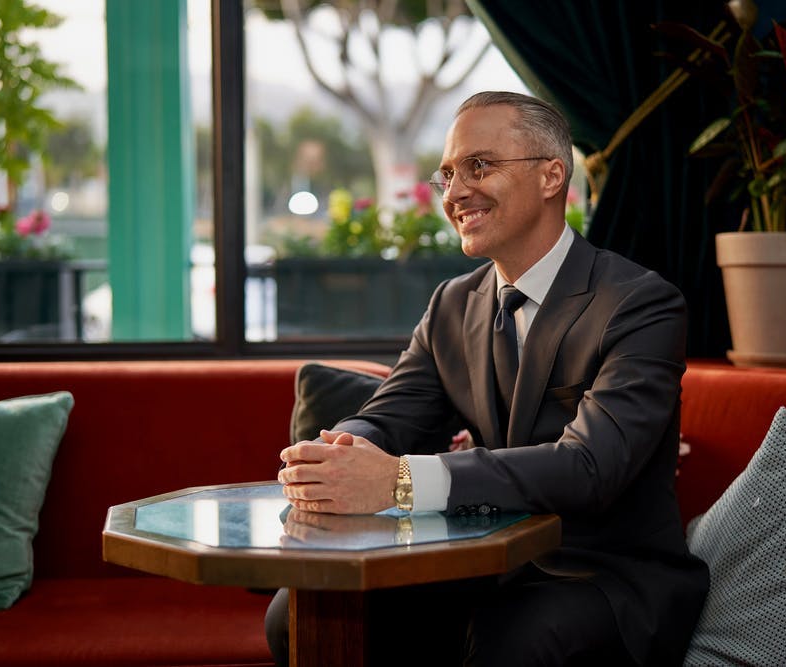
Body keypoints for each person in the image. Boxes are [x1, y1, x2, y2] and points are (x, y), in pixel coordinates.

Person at [267, 91, 708, 666]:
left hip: (601, 577)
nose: (455, 192)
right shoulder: (452, 303)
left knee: (514, 640)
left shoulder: (641, 304)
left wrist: (399, 481)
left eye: (480, 166)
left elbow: (590, 468)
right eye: (447, 174)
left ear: (553, 176)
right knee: (296, 614)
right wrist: (339, 454)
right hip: (478, 564)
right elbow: (389, 415)